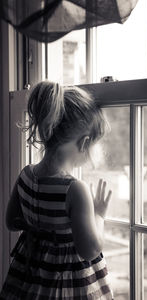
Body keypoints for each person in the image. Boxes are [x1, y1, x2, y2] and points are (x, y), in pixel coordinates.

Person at [0, 81, 114, 299]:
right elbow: (89, 250)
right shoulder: (74, 189)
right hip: (67, 283)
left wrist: (40, 228)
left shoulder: (26, 174)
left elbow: (11, 221)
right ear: (84, 143)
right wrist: (98, 215)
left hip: (31, 275)